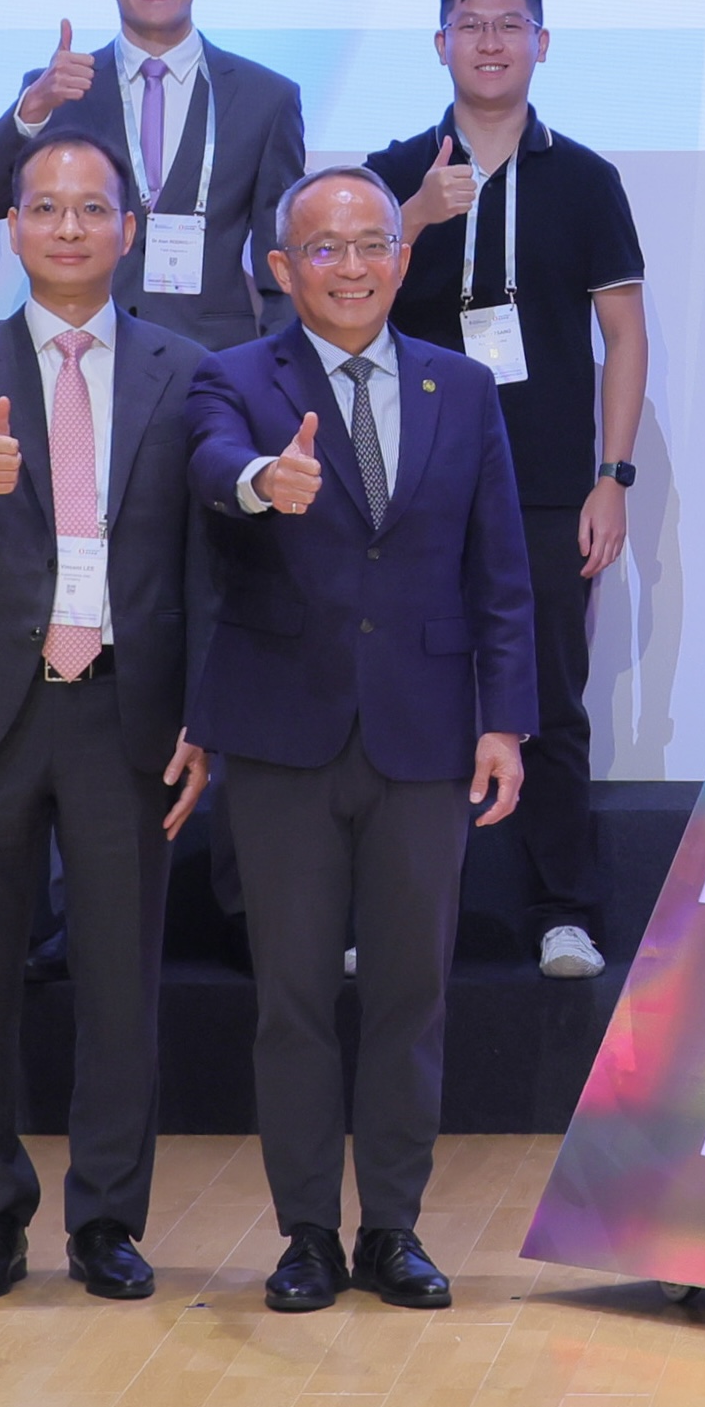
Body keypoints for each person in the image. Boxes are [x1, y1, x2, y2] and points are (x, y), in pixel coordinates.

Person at [184, 170, 533, 1317]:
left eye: (368, 242)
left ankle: (391, 1225)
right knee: (289, 994)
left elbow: (500, 571)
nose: (348, 264)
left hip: (427, 736)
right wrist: (258, 481)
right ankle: (303, 1235)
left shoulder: (463, 385)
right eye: (320, 247)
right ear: (281, 269)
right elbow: (210, 470)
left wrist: (503, 718)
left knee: (407, 993)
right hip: (282, 736)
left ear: (401, 254)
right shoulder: (232, 376)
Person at [0, 131, 213, 1304]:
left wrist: (205, 715)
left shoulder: (189, 366)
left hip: (127, 710)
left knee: (120, 982)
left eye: (92, 207)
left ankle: (106, 1220)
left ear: (128, 227)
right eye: (46, 207)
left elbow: (209, 560)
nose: (69, 226)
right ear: (13, 225)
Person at [372, 0, 649, 981]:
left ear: (541, 40)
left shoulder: (583, 177)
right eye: (468, 24)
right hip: (408, 476)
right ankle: (396, 913)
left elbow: (622, 335)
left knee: (550, 699)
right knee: (403, 695)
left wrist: (611, 473)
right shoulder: (396, 170)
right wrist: (407, 220)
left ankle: (564, 911)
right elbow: (337, 301)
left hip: (542, 478)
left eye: (508, 24)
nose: (488, 41)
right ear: (438, 41)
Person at [0, 0, 315, 353]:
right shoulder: (61, 87)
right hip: (81, 347)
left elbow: (280, 252)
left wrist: (275, 364)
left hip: (216, 358)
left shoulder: (265, 98)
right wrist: (31, 110)